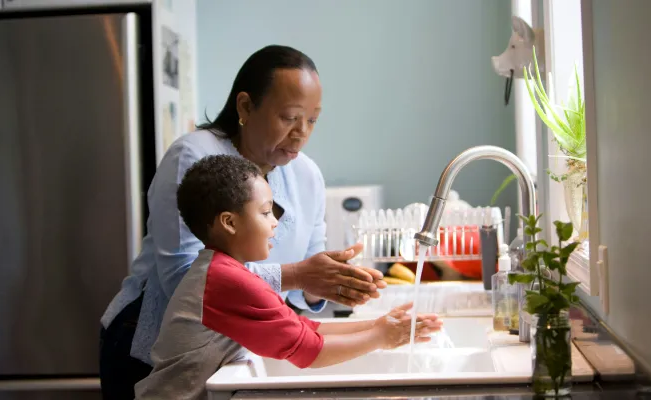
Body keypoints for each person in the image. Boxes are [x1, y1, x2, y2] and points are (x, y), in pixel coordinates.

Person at [99, 44, 387, 399]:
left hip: (229, 353)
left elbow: (302, 289)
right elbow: (186, 281)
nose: (302, 133)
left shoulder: (307, 175)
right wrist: (297, 274)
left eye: (312, 120)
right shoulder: (194, 155)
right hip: (151, 350)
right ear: (246, 106)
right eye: (289, 117)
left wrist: (332, 280)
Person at [134, 155, 442, 400]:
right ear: (229, 222)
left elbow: (305, 327)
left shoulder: (223, 270)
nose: (275, 223)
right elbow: (311, 351)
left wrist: (377, 325)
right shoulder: (225, 280)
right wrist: (382, 337)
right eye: (266, 212)